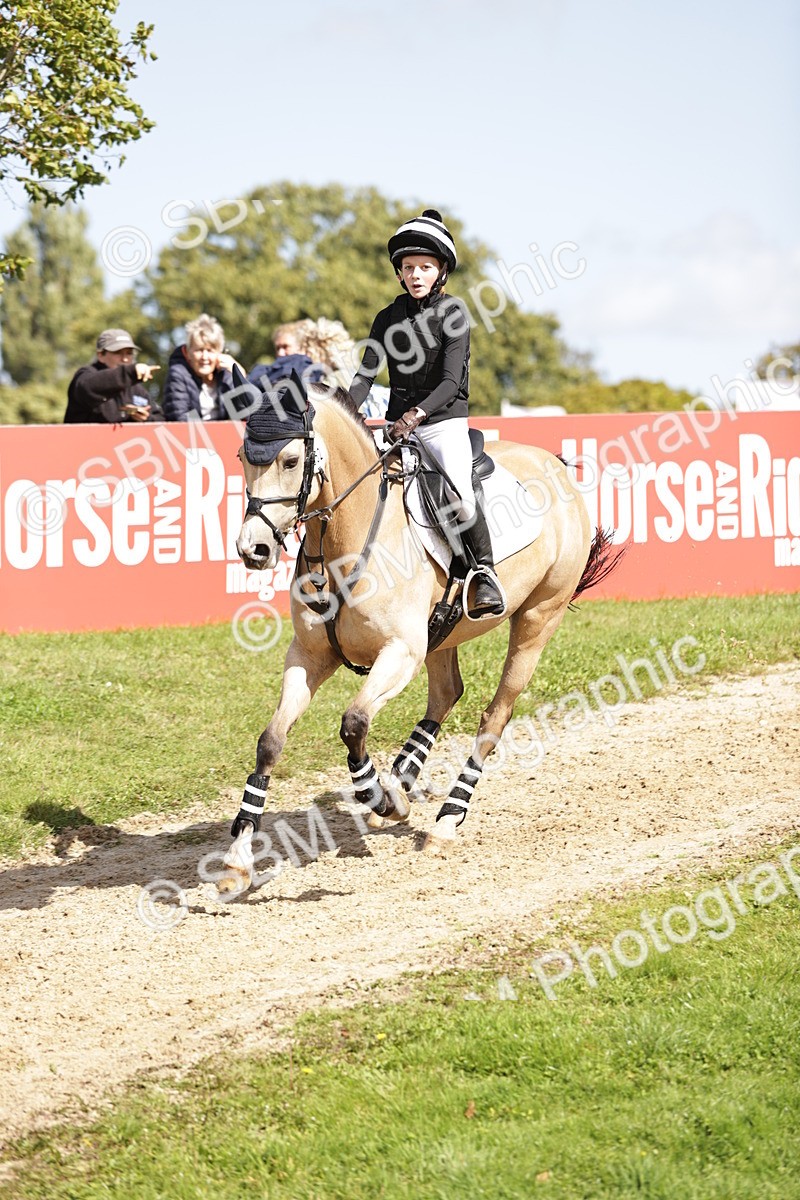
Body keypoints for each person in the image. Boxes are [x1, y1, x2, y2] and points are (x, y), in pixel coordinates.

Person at [348, 208, 505, 617]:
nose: (416, 274)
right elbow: (366, 375)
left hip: (442, 423)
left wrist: (416, 415)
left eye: (425, 267)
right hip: (397, 427)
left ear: (441, 272)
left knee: (460, 496)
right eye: (409, 267)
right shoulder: (387, 317)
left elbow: (451, 382)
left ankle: (484, 574)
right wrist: (346, 411)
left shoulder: (454, 314)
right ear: (399, 273)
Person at [64, 329, 162, 424]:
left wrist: (146, 418)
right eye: (117, 352)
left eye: (129, 353)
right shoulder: (86, 376)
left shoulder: (136, 389)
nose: (125, 359)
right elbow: (89, 387)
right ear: (100, 355)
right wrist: (130, 372)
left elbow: (161, 420)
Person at [162, 313, 242, 421]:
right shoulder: (178, 374)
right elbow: (179, 418)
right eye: (199, 350)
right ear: (187, 353)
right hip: (190, 436)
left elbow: (246, 415)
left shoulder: (227, 375)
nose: (205, 357)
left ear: (220, 353)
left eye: (210, 351)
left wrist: (240, 376)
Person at [247, 321, 325, 391]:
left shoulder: (304, 366)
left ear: (299, 347)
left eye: (285, 347)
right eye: (277, 348)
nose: (280, 353)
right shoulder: (269, 369)